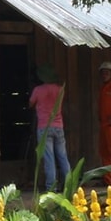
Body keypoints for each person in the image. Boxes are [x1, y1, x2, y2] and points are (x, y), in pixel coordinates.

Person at [28, 63, 70, 192]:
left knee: (49, 158)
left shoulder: (38, 90)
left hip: (44, 127)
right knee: (63, 156)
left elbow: (30, 104)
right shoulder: (60, 89)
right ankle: (70, 185)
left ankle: (51, 188)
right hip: (58, 126)